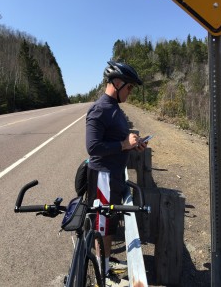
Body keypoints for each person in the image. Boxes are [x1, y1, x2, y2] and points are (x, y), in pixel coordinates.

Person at [86, 61, 147, 287]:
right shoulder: (100, 109)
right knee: (103, 225)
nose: (130, 92)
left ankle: (106, 261)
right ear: (117, 83)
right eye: (129, 88)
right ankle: (102, 271)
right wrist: (123, 144)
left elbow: (117, 140)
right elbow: (93, 148)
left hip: (113, 176)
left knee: (109, 223)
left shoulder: (115, 109)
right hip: (103, 177)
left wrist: (133, 145)